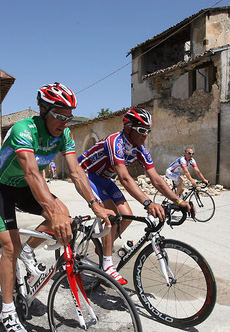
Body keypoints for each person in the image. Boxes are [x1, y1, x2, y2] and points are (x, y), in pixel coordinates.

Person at [0, 82, 115, 332]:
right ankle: (8, 310)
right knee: (10, 247)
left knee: (65, 216)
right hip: (1, 186)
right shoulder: (23, 129)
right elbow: (32, 173)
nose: (64, 122)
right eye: (59, 115)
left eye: (69, 117)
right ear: (43, 110)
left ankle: (29, 249)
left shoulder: (64, 135)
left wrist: (95, 204)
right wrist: (51, 213)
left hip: (25, 187)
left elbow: (76, 172)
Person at [78, 107, 192, 285]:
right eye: (141, 130)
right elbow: (124, 177)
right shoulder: (115, 141)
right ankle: (107, 266)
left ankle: (102, 249)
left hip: (104, 179)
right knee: (111, 216)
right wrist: (148, 203)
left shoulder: (140, 149)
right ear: (129, 128)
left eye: (148, 130)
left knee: (127, 215)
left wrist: (178, 200)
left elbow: (156, 179)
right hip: (86, 175)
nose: (145, 134)